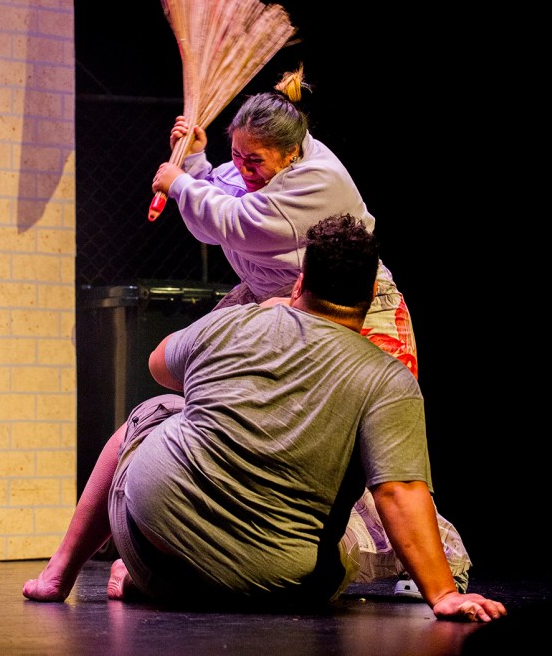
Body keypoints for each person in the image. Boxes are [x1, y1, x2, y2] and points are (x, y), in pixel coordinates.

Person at [23, 214, 506, 623]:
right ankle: (156, 582)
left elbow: (158, 366)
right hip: (280, 591)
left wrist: (255, 321)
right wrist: (443, 595)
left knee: (151, 413)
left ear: (299, 282)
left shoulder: (237, 321)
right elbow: (398, 491)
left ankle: (57, 575)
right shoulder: (387, 378)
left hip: (152, 554)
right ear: (370, 297)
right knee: (357, 521)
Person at [151, 65, 470, 593]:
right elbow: (219, 201)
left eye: (255, 160)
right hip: (279, 304)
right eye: (237, 155)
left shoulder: (318, 180)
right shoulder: (262, 168)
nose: (243, 168)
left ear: (291, 154)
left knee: (368, 445)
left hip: (348, 308)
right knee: (236, 412)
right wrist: (195, 162)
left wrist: (179, 181)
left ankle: (439, 567)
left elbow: (234, 222)